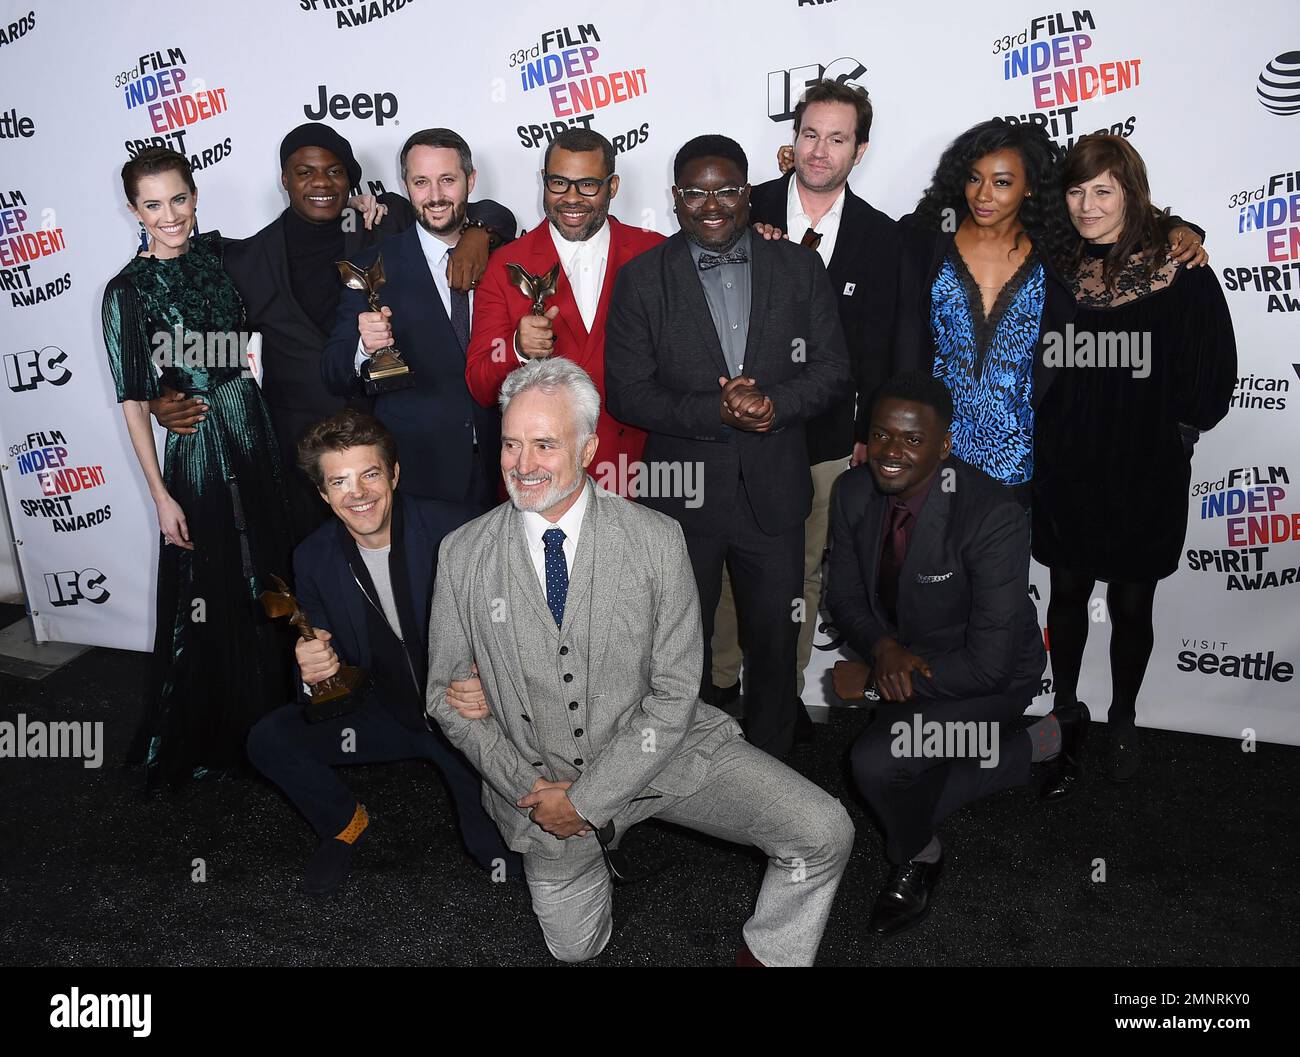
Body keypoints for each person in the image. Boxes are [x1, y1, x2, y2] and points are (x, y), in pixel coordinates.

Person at [425, 358, 854, 965]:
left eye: (545, 445)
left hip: (664, 757)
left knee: (823, 832)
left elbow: (676, 694)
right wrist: (537, 793)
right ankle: (595, 851)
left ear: (590, 448)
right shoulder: (462, 554)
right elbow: (445, 697)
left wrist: (589, 800)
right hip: (539, 788)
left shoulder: (657, 539)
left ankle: (769, 956)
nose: (523, 465)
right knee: (575, 951)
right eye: (512, 443)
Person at [147, 122, 516, 544]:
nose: (320, 183)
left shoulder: (383, 221)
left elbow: (478, 210)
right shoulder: (248, 258)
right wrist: (168, 391)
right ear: (284, 179)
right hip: (301, 452)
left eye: (335, 171)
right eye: (304, 173)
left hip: (393, 448)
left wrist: (478, 232)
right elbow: (221, 341)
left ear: (351, 179)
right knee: (319, 572)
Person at [604, 134, 850, 759]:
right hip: (680, 499)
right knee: (677, 649)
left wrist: (775, 407)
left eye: (725, 190)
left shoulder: (798, 267)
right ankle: (681, 771)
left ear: (749, 193)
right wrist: (715, 411)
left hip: (774, 492)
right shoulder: (642, 280)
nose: (710, 205)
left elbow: (831, 370)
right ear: (676, 198)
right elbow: (628, 395)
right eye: (695, 192)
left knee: (774, 642)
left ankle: (769, 776)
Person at [826, 372, 1065, 937]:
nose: (891, 453)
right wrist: (884, 649)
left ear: (944, 445)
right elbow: (844, 594)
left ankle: (919, 855)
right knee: (901, 764)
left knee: (876, 763)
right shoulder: (853, 491)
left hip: (990, 680)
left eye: (912, 440)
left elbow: (990, 663)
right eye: (882, 435)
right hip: (907, 660)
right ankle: (1043, 742)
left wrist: (872, 684)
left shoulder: (991, 515)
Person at [1032, 135, 1236, 788]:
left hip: (1145, 465)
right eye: (1076, 190)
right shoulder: (1052, 264)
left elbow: (1213, 370)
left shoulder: (1184, 270)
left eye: (1103, 190)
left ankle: (1123, 715)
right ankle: (1065, 712)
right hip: (1067, 461)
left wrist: (1176, 435)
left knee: (1131, 602)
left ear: (1130, 192)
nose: (1087, 205)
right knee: (1065, 594)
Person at [246, 410, 520, 896]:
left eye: (370, 474)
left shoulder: (456, 527)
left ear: (393, 474)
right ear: (323, 494)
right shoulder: (312, 556)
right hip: (384, 712)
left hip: (463, 714)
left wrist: (488, 679)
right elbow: (318, 650)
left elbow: (516, 622)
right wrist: (312, 673)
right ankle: (345, 822)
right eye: (340, 481)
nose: (358, 493)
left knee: (498, 857)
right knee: (269, 739)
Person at [101, 147, 293, 789]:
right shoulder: (126, 291)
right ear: (134, 210)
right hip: (199, 441)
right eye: (153, 205)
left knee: (267, 564)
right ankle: (214, 734)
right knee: (207, 581)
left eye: (178, 199)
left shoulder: (218, 256)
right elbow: (132, 398)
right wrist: (159, 495)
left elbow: (291, 237)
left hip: (252, 425)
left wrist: (371, 207)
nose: (169, 215)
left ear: (195, 195)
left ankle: (279, 722)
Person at [712, 79, 902, 723]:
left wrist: (866, 429)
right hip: (739, 427)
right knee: (731, 565)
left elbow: (882, 345)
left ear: (861, 149)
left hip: (824, 435)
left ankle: (782, 696)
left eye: (837, 138)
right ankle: (717, 689)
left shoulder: (882, 238)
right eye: (810, 134)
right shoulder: (737, 207)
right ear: (791, 141)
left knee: (802, 572)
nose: (820, 151)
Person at [894, 118, 1206, 505]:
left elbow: (1119, 215)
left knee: (1002, 565)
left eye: (1003, 182)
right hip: (931, 451)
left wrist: (1178, 228)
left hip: (1020, 456)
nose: (984, 195)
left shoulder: (1057, 245)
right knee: (927, 563)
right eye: (975, 178)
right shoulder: (923, 239)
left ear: (1030, 188)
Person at [465, 128, 662, 492]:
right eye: (559, 183)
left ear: (612, 186)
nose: (571, 199)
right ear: (543, 180)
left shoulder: (654, 253)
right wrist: (517, 350)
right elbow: (479, 382)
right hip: (542, 480)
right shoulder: (506, 263)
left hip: (641, 473)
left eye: (587, 185)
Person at [321, 128, 503, 509]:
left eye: (447, 180)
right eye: (421, 182)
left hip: (505, 466)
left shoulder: (503, 251)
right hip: (421, 473)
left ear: (471, 180)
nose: (435, 196)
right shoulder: (371, 265)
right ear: (405, 185)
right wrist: (362, 348)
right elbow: (333, 371)